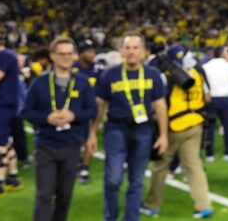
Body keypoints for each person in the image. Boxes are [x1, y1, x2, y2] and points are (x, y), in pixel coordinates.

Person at [88, 32, 168, 221]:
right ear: (121, 51)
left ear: (143, 51)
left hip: (143, 130)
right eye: (128, 48)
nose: (131, 52)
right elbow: (100, 105)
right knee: (113, 179)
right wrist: (92, 132)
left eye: (135, 48)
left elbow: (160, 105)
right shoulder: (109, 75)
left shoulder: (153, 75)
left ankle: (131, 218)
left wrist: (163, 135)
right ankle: (110, 216)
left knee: (137, 181)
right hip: (116, 129)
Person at [22, 36, 97, 221]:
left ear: (75, 56)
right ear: (53, 56)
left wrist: (74, 116)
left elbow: (92, 110)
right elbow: (26, 112)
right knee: (44, 195)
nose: (65, 57)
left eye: (69, 54)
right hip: (46, 146)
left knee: (65, 196)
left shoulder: (82, 82)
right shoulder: (39, 83)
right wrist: (47, 118)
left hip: (72, 146)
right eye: (61, 54)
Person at [142, 45, 213, 219]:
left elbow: (158, 105)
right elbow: (207, 98)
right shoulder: (198, 73)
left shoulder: (166, 77)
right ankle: (204, 205)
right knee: (194, 166)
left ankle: (153, 205)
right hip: (196, 123)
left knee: (160, 166)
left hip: (173, 126)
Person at [0, 29, 25, 200]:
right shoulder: (5, 56)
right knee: (6, 142)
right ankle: (13, 179)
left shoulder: (1, 57)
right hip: (2, 105)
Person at [202, 46, 228, 162]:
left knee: (211, 127)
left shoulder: (206, 66)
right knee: (227, 126)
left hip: (211, 99)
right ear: (223, 53)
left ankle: (209, 154)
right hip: (226, 99)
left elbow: (203, 83)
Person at [73, 38, 102, 184]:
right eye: (89, 51)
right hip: (73, 109)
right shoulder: (72, 67)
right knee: (73, 139)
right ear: (81, 53)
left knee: (90, 137)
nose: (93, 54)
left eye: (93, 50)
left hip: (91, 109)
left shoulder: (98, 69)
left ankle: (84, 168)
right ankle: (75, 162)